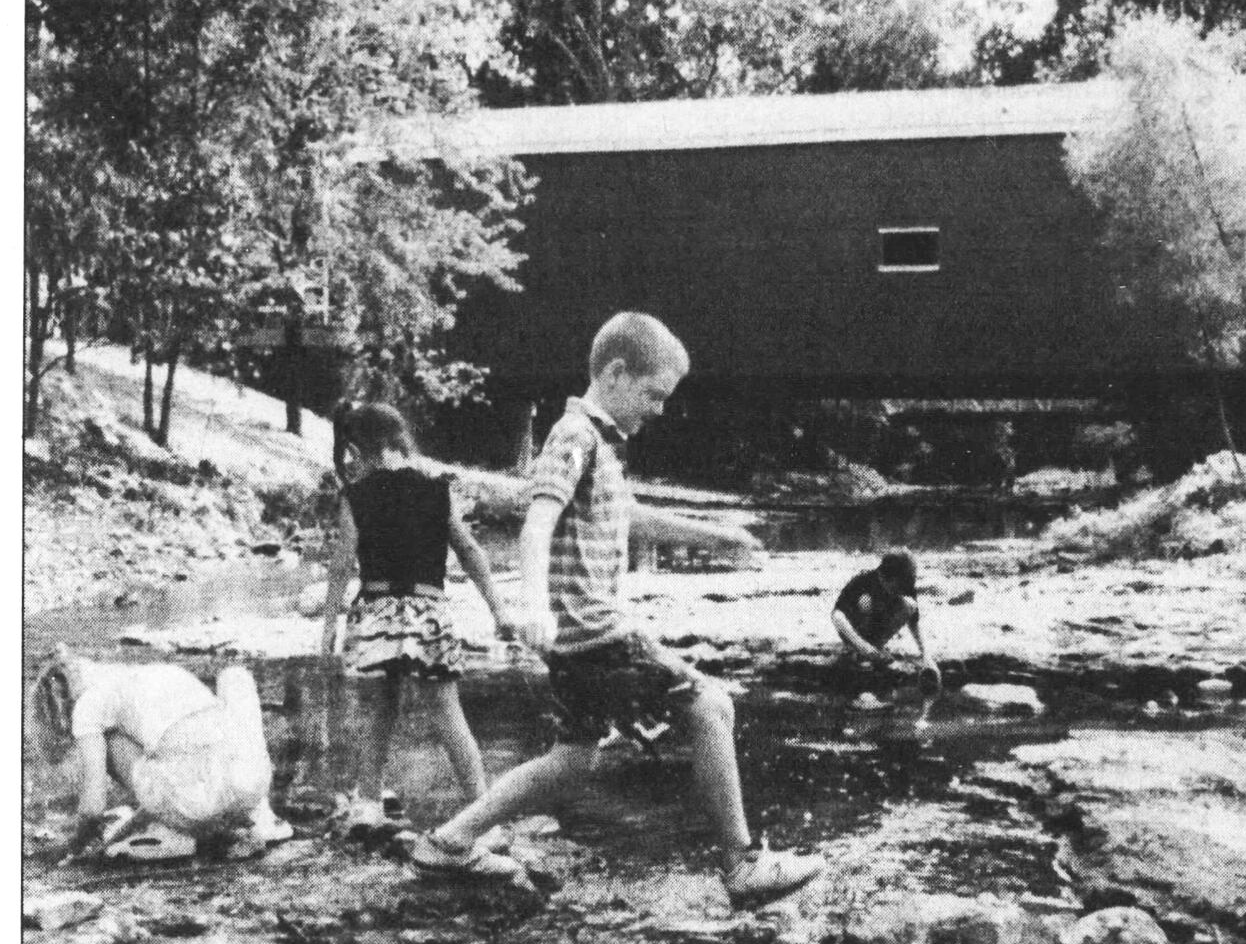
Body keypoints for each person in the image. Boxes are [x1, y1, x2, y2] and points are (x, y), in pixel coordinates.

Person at [410, 311, 824, 908]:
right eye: (655, 394)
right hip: (594, 629)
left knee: (574, 758)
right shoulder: (575, 437)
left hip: (578, 640)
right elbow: (537, 521)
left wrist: (716, 533)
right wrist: (534, 607)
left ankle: (450, 842)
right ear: (617, 372)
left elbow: (630, 519)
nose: (659, 410)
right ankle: (743, 865)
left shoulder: (600, 444)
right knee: (711, 704)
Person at [320, 401, 516, 835]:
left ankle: (368, 805)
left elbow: (340, 565)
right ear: (400, 439)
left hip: (377, 611)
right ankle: (484, 816)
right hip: (429, 611)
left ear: (355, 447)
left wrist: (329, 628)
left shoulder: (356, 495)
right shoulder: (437, 489)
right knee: (450, 714)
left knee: (379, 712)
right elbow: (470, 552)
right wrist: (499, 610)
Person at [30, 646, 292, 860]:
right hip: (251, 783)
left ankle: (180, 832)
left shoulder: (88, 705)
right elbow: (189, 753)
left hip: (196, 806)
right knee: (235, 677)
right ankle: (262, 816)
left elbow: (92, 808)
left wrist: (74, 847)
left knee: (111, 742)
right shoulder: (160, 673)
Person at [831, 549, 941, 711]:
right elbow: (837, 616)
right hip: (855, 633)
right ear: (886, 577)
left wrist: (926, 655)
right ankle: (861, 666)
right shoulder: (863, 581)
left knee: (909, 605)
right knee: (865, 602)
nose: (898, 591)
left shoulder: (905, 583)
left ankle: (876, 647)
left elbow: (914, 621)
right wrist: (862, 646)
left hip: (878, 632)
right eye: (895, 587)